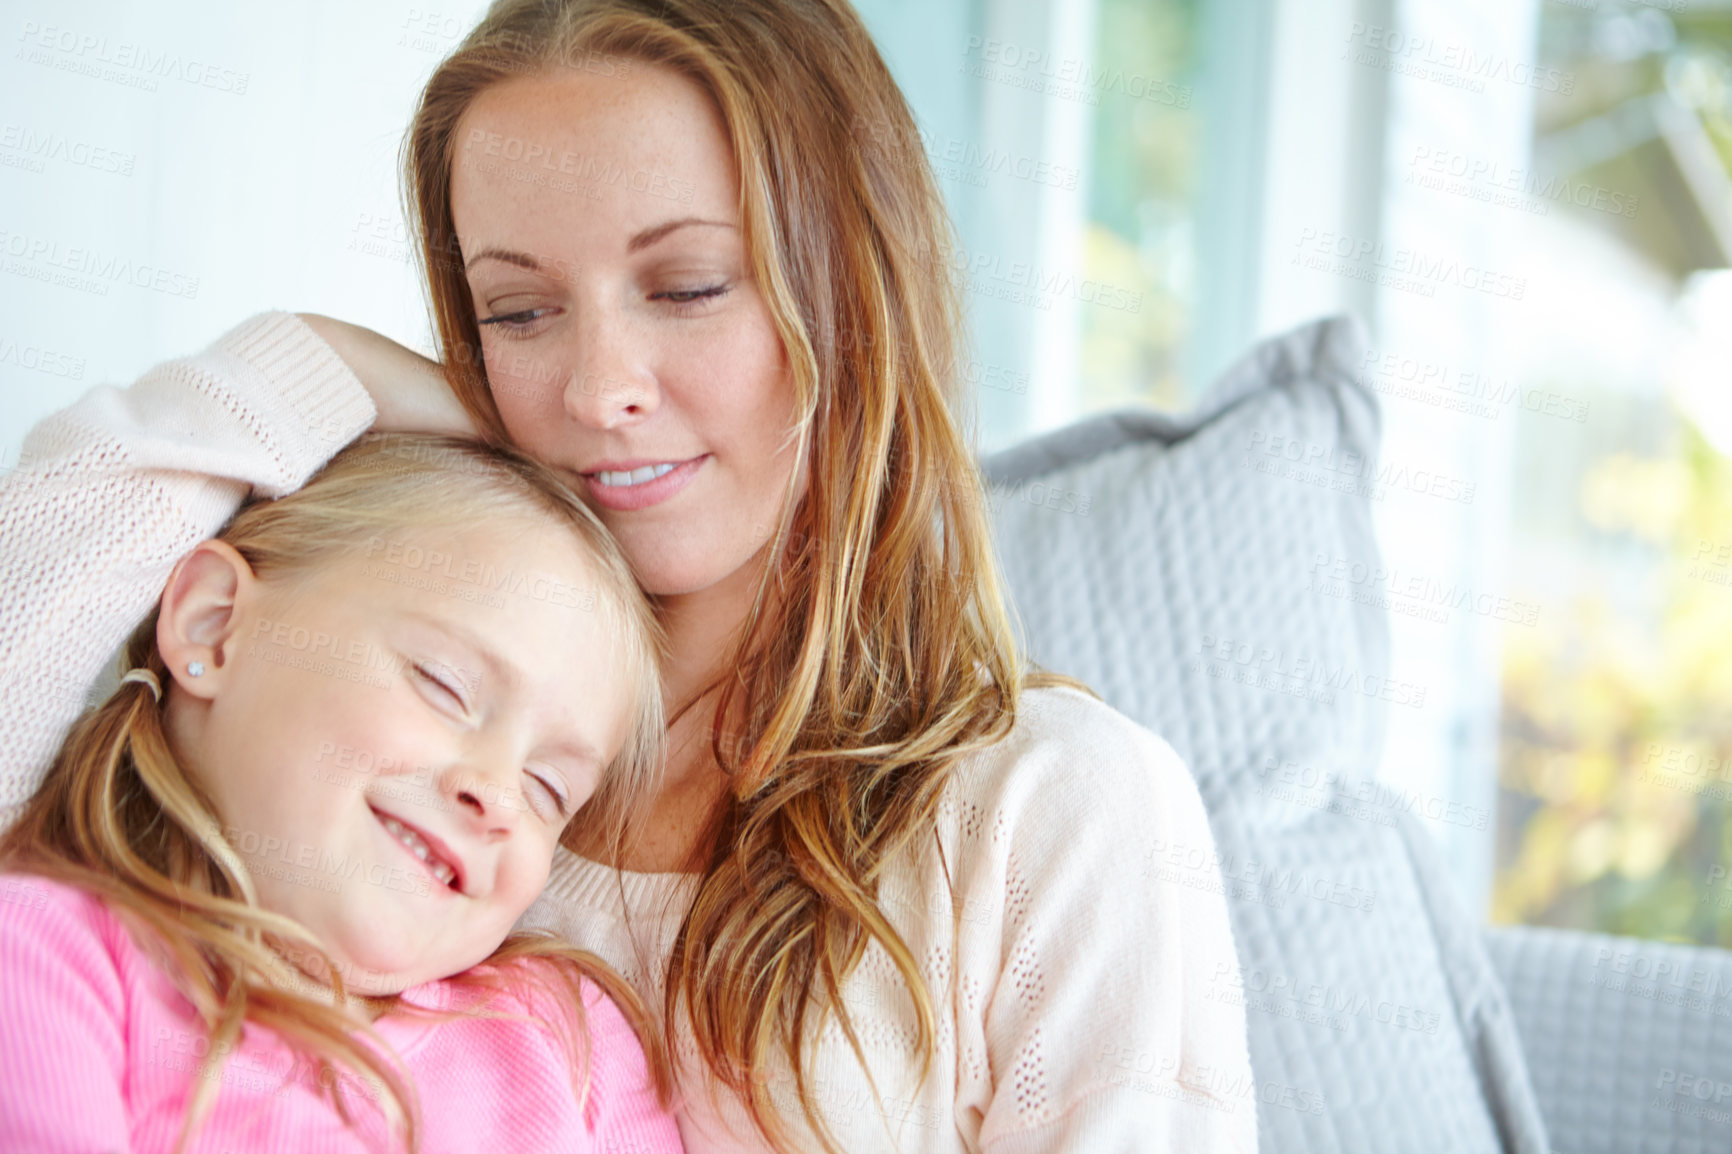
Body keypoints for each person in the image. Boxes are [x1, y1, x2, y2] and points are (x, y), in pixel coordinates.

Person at [0, 0, 1257, 1149]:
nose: (599, 392)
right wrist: (317, 361)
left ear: (855, 299)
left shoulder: (1052, 807)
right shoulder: (350, 733)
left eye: (688, 285)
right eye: (519, 313)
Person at [0, 434, 686, 1154]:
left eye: (549, 789)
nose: (497, 795)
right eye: (443, 686)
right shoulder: (51, 956)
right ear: (214, 624)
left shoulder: (569, 1039)